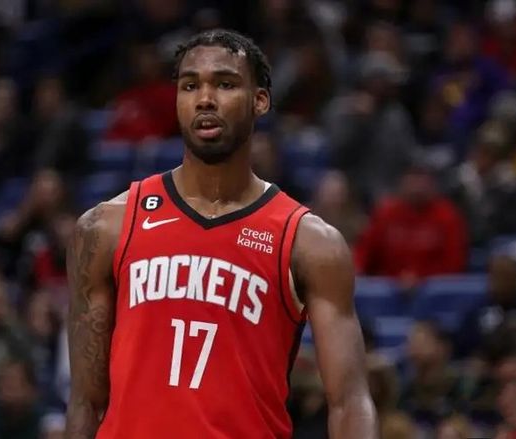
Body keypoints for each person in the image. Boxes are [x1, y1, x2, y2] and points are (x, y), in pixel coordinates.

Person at [65, 29, 377, 438]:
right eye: (190, 85)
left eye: (225, 84)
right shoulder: (106, 227)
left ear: (260, 100)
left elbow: (349, 401)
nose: (205, 99)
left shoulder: (309, 243)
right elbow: (86, 402)